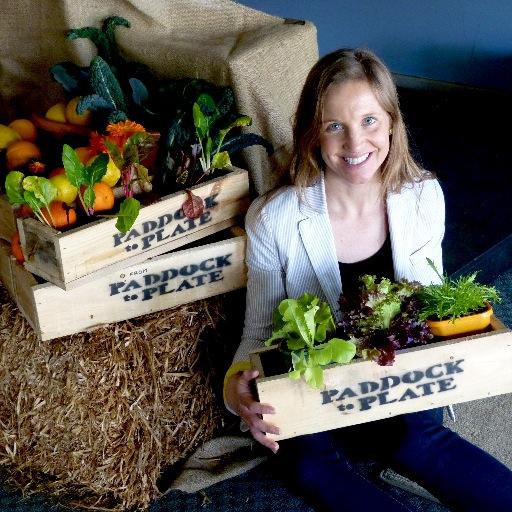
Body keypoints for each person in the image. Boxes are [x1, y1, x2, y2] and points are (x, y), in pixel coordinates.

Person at [224, 48, 512, 511]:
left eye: (370, 121)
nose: (355, 143)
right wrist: (237, 390)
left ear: (393, 123)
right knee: (311, 463)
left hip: (399, 388)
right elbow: (255, 335)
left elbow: (433, 311)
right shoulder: (275, 219)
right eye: (335, 125)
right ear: (313, 133)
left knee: (424, 440)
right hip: (313, 394)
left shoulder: (422, 197)